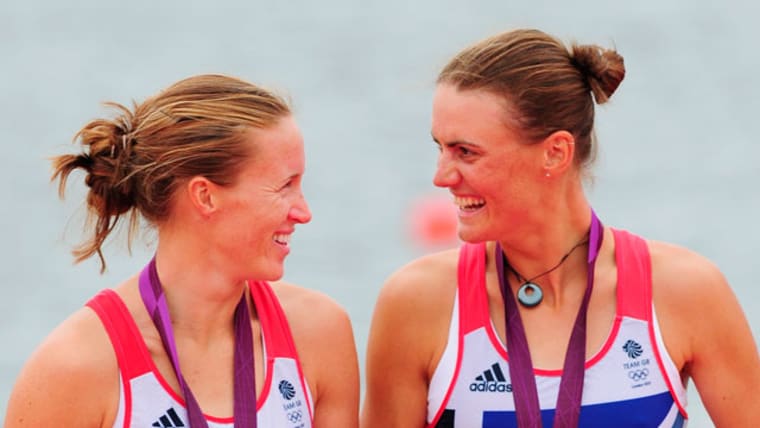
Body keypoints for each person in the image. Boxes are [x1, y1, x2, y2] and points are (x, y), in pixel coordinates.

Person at [362, 29, 760, 427]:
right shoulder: (415, 303)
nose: (442, 177)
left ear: (555, 153)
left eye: (466, 152)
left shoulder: (686, 291)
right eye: (440, 147)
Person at [5, 74, 359, 427]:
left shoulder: (319, 334)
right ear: (205, 196)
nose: (304, 213)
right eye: (285, 186)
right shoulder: (74, 368)